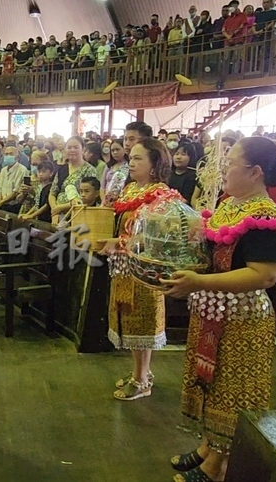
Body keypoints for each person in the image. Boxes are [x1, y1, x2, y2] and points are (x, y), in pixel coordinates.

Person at [162, 137, 276, 482]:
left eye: (229, 165)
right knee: (209, 380)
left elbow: (264, 274)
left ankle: (219, 465)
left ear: (255, 172)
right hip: (214, 309)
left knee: (232, 388)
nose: (222, 171)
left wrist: (199, 282)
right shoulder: (231, 205)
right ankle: (209, 446)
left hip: (242, 317)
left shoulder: (266, 215)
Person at [99, 138, 176, 401]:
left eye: (138, 158)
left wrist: (117, 243)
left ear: (155, 164)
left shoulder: (162, 196)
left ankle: (141, 379)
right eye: (130, 157)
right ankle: (140, 371)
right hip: (125, 264)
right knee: (128, 318)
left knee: (142, 320)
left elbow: (157, 239)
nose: (131, 162)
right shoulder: (130, 190)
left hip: (146, 269)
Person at [49, 136, 98, 222]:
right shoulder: (62, 169)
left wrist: (60, 208)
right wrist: (55, 210)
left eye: (76, 147)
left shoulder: (89, 170)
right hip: (56, 216)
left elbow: (87, 197)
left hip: (78, 215)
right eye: (69, 147)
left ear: (83, 150)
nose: (72, 150)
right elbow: (52, 193)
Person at [101, 140, 129, 207]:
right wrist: (104, 201)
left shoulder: (128, 166)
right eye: (113, 150)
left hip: (120, 200)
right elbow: (102, 186)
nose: (115, 152)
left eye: (117, 149)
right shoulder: (109, 165)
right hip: (105, 201)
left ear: (124, 150)